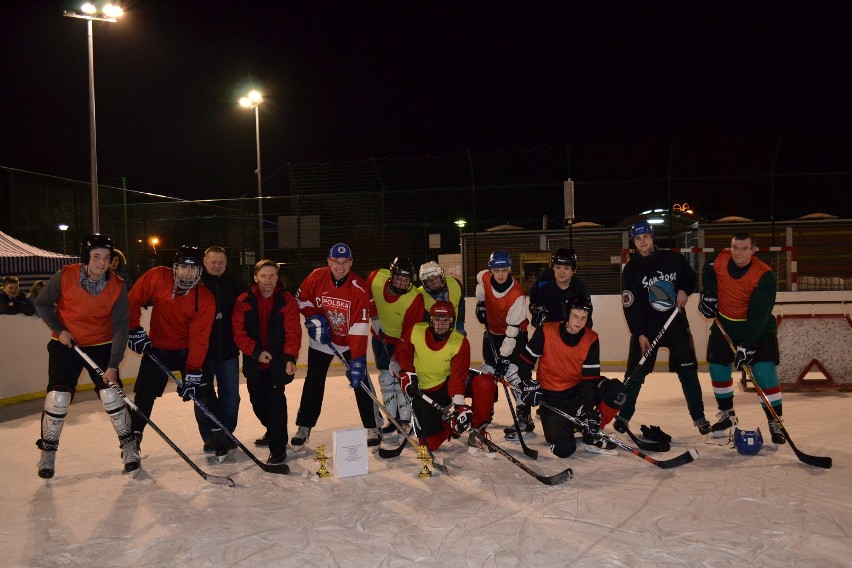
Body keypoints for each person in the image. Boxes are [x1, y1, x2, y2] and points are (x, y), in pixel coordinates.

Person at [32, 234, 135, 478]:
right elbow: (42, 303)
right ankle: (48, 453)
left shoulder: (118, 286)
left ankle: (130, 447)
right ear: (86, 257)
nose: (102, 262)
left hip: (101, 345)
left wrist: (113, 366)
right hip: (66, 345)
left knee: (111, 394)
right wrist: (60, 330)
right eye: (97, 256)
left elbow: (121, 326)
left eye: (107, 257)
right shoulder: (65, 276)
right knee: (58, 397)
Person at [126, 246, 221, 457]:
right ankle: (134, 437)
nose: (188, 274)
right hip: (158, 348)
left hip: (188, 350)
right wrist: (133, 329)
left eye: (193, 269)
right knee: (144, 393)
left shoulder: (205, 298)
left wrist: (194, 370)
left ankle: (217, 434)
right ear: (174, 268)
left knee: (204, 391)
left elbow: (199, 337)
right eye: (184, 269)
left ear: (200, 271)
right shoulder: (158, 276)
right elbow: (132, 301)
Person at [617, 220, 709, 435]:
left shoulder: (673, 259)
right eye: (638, 239)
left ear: (652, 237)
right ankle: (623, 415)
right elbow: (630, 304)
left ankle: (699, 417)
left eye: (645, 237)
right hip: (647, 329)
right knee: (635, 374)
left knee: (688, 372)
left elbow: (690, 278)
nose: (642, 242)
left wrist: (684, 290)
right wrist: (639, 333)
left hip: (675, 324)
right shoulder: (631, 269)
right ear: (634, 241)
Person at [290, 243, 382, 450]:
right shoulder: (315, 277)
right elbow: (301, 300)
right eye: (336, 262)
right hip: (323, 340)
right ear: (329, 261)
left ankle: (373, 426)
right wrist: (314, 319)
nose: (340, 266)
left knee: (361, 382)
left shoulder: (359, 288)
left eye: (345, 262)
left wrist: (357, 360)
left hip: (350, 343)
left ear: (351, 262)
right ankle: (304, 427)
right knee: (313, 382)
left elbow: (359, 328)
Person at [700, 232, 785, 444]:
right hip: (725, 324)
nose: (738, 252)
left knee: (763, 371)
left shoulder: (765, 276)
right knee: (717, 368)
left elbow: (759, 315)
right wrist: (709, 294)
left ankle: (776, 421)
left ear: (753, 250)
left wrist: (747, 346)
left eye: (744, 248)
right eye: (735, 247)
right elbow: (708, 270)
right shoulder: (720, 258)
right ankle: (727, 415)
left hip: (758, 327)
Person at [515, 295, 625, 456]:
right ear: (567, 315)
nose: (579, 321)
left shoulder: (591, 338)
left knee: (617, 391)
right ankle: (574, 425)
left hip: (576, 391)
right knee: (564, 449)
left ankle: (592, 430)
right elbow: (524, 363)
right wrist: (526, 384)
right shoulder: (546, 331)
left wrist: (587, 409)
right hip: (551, 397)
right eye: (575, 316)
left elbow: (590, 379)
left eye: (583, 317)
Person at [395, 300, 497, 455]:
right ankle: (451, 427)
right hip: (424, 390)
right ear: (430, 320)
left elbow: (458, 376)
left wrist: (458, 407)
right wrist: (407, 375)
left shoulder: (460, 342)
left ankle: (477, 431)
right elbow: (403, 355)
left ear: (452, 322)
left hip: (448, 382)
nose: (440, 325)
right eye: (437, 319)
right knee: (429, 444)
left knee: (485, 383)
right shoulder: (415, 331)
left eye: (445, 320)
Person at [232, 260, 301, 465]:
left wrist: (290, 357)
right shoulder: (244, 300)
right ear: (255, 277)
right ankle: (272, 430)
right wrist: (256, 351)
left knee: (276, 402)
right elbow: (238, 333)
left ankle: (278, 448)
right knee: (257, 402)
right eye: (263, 276)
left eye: (272, 276)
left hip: (278, 363)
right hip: (255, 363)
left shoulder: (287, 300)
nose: (268, 280)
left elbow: (293, 332)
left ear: (277, 278)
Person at [367, 257, 424, 448]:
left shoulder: (415, 298)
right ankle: (393, 420)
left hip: (402, 341)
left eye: (406, 280)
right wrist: (373, 315)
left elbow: (409, 333)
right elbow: (366, 295)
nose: (402, 282)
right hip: (380, 336)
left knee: (402, 378)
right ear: (391, 275)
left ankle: (405, 421)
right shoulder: (376, 277)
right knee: (385, 378)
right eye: (399, 278)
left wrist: (397, 357)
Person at [475, 251, 532, 440]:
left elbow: (513, 331)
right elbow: (480, 281)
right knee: (488, 372)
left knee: (513, 374)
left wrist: (505, 358)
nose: (500, 274)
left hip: (515, 335)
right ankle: (485, 412)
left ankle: (524, 417)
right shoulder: (485, 277)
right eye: (496, 270)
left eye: (504, 270)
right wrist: (480, 303)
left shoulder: (516, 294)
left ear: (509, 270)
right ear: (491, 270)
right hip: (492, 332)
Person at [195, 246, 248, 453]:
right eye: (213, 262)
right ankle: (209, 436)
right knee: (203, 397)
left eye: (221, 263)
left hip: (228, 353)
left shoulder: (236, 285)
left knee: (231, 396)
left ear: (226, 264)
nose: (217, 266)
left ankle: (226, 434)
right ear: (205, 263)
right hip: (202, 355)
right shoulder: (196, 285)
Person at [528, 248, 592, 328]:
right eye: (558, 267)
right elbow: (535, 305)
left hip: (571, 332)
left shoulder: (580, 289)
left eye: (566, 268)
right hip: (549, 331)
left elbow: (585, 319)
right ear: (553, 268)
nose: (561, 272)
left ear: (573, 271)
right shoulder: (542, 284)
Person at [417, 261, 466, 334]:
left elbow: (461, 306)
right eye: (429, 281)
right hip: (433, 334)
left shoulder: (455, 283)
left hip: (455, 332)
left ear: (442, 275)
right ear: (424, 283)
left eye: (436, 278)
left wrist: (460, 326)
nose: (434, 284)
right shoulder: (419, 295)